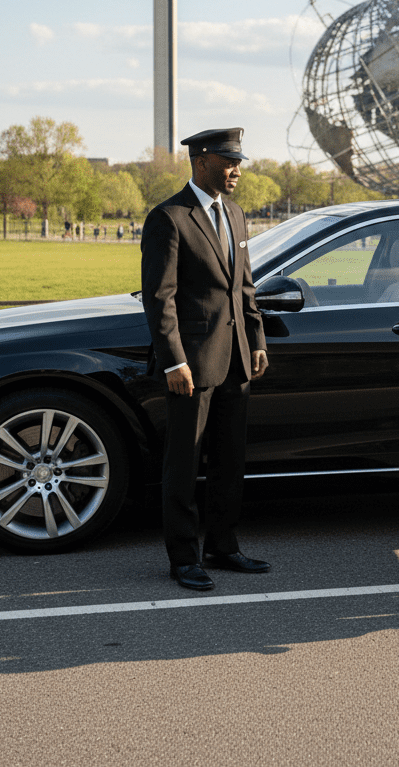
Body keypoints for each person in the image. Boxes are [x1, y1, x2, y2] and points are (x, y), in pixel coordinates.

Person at [141, 126, 270, 591]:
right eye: (228, 162)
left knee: (229, 461)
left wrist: (257, 339)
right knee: (184, 462)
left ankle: (223, 546)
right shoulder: (169, 217)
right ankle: (183, 558)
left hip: (236, 359)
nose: (237, 170)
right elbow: (160, 298)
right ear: (201, 161)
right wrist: (173, 360)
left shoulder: (235, 214)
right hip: (191, 365)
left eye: (239, 162)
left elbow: (244, 287)